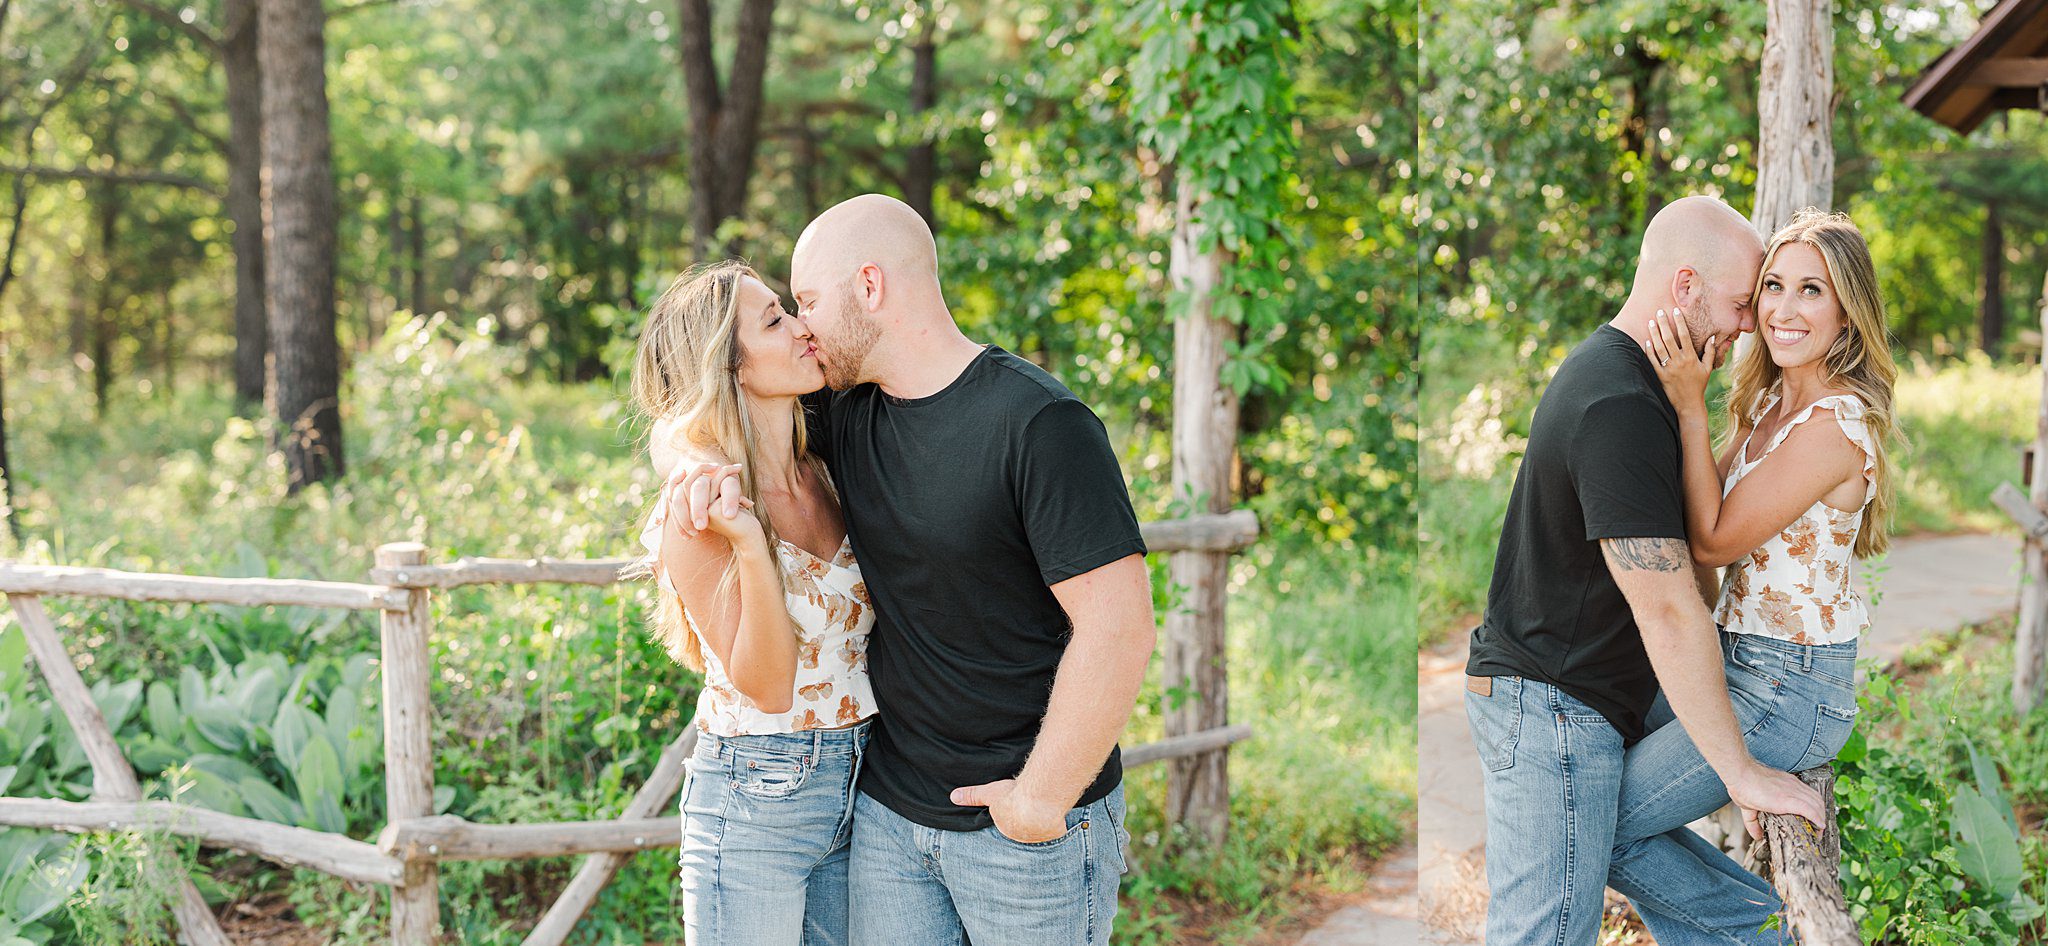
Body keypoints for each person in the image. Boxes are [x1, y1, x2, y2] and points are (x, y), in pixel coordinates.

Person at [675, 193, 1156, 945]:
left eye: (808, 300)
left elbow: (1119, 628)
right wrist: (694, 461)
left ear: (870, 287)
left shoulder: (1039, 425)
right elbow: (715, 400)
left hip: (1023, 827)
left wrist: (1038, 799)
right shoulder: (848, 412)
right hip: (888, 819)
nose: (801, 327)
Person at [1463, 195, 1828, 945]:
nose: (1747, 324)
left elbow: (1698, 558)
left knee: (1615, 853)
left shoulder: (1646, 387)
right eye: (1737, 303)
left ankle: (1765, 937)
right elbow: (1668, 608)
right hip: (1551, 712)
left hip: (1584, 699)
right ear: (1685, 287)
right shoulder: (1618, 403)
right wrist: (1741, 772)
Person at [1605, 208, 1897, 944]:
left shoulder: (1836, 424)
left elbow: (1709, 538)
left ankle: (1760, 933)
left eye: (1812, 291)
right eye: (1772, 286)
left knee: (1605, 825)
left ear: (1848, 315)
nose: (1783, 309)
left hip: (1790, 688)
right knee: (1593, 794)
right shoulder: (1769, 401)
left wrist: (1687, 404)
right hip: (1737, 664)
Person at [632, 260, 874, 946]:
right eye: (775, 320)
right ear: (728, 367)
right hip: (757, 792)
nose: (803, 328)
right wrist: (747, 542)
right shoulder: (699, 512)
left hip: (868, 780)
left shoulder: (826, 464)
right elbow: (769, 686)